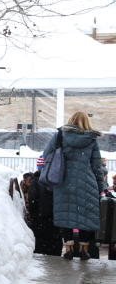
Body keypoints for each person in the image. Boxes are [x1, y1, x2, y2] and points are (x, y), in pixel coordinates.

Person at [40, 111, 107, 260]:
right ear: (86, 122)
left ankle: (68, 248)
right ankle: (84, 249)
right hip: (86, 182)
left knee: (65, 215)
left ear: (70, 120)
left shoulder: (60, 136)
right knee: (86, 217)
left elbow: (46, 155)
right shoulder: (91, 139)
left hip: (63, 180)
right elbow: (96, 165)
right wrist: (101, 187)